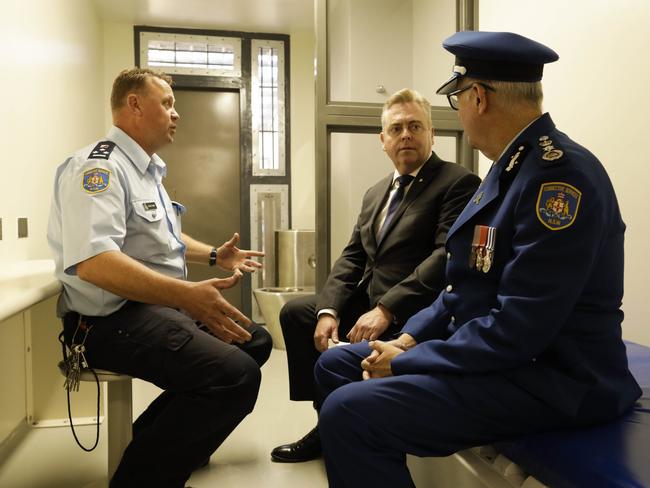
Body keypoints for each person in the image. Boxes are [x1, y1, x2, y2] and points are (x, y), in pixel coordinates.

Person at [313, 31, 642, 487]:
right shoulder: (507, 170)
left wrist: (407, 363)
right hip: (501, 358)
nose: (461, 115)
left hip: (555, 379)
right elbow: (460, 284)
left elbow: (519, 329)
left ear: (479, 98)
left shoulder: (558, 179)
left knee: (349, 413)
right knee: (334, 365)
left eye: (457, 100)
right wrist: (408, 341)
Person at [47, 68, 272, 488]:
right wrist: (186, 295)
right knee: (235, 376)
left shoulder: (146, 170)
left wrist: (212, 255)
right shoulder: (99, 169)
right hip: (106, 323)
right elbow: (94, 262)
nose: (176, 114)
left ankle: (157, 440)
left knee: (254, 341)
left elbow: (160, 236)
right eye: (166, 103)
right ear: (134, 105)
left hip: (152, 308)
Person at [271, 88, 481, 462]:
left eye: (415, 126)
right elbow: (353, 256)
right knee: (298, 314)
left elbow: (443, 257)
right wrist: (329, 310)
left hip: (413, 313)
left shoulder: (456, 183)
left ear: (432, 133)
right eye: (396, 128)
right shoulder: (376, 192)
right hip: (368, 304)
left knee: (334, 346)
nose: (406, 135)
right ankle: (325, 420)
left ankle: (345, 421)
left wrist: (386, 309)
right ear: (382, 140)